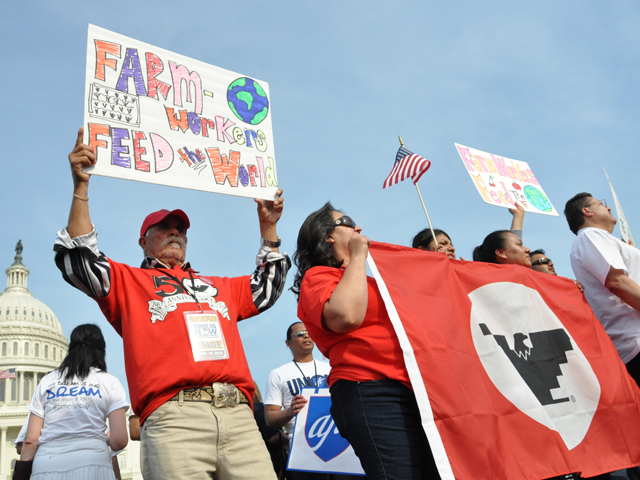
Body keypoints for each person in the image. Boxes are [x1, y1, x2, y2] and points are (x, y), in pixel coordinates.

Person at [53, 128, 290, 480]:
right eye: (164, 227)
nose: (175, 232)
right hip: (175, 419)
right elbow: (80, 259)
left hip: (239, 416)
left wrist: (268, 227)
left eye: (180, 228)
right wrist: (81, 187)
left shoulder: (217, 285)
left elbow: (266, 288)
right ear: (143, 242)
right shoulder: (128, 281)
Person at [293, 202, 440, 480]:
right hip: (371, 391)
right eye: (348, 222)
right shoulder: (318, 277)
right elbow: (346, 316)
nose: (358, 228)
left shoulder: (371, 282)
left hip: (416, 390)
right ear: (328, 236)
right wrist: (358, 255)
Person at [14, 324, 128, 480]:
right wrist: (98, 436)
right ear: (101, 351)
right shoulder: (110, 382)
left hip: (46, 467)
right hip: (94, 465)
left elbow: (30, 441)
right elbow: (119, 441)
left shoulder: (48, 380)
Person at [565, 193, 640, 388]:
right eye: (601, 204)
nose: (608, 208)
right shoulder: (590, 235)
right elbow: (618, 283)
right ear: (586, 211)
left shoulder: (600, 239)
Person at [264, 321, 332, 480]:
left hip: (338, 444)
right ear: (288, 343)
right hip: (302, 451)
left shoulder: (331, 368)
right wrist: (290, 411)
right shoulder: (278, 374)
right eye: (300, 334)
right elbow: (270, 419)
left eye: (309, 332)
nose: (306, 336)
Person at [412, 201, 525, 260]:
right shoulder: (412, 277)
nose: (452, 248)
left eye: (451, 244)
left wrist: (518, 217)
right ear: (422, 250)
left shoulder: (463, 271)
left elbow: (511, 259)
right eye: (442, 244)